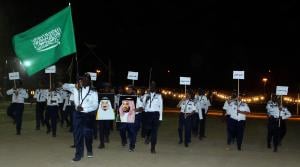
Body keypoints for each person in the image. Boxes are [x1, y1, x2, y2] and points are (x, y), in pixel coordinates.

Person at [63, 73, 98, 162]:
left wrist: (85, 108)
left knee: (87, 134)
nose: (83, 81)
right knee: (78, 134)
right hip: (77, 114)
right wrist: (74, 85)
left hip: (88, 115)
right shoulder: (75, 88)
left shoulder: (93, 91)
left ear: (89, 81)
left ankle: (89, 150)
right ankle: (79, 154)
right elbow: (64, 86)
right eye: (82, 79)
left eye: (86, 79)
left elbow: (95, 105)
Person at [142, 81, 163, 153]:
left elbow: (161, 107)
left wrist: (160, 118)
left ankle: (153, 147)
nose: (152, 87)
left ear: (155, 88)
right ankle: (148, 136)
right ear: (149, 87)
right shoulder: (146, 95)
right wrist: (146, 97)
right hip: (148, 114)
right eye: (151, 86)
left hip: (155, 115)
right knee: (147, 129)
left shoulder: (159, 96)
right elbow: (143, 105)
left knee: (154, 132)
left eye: (153, 86)